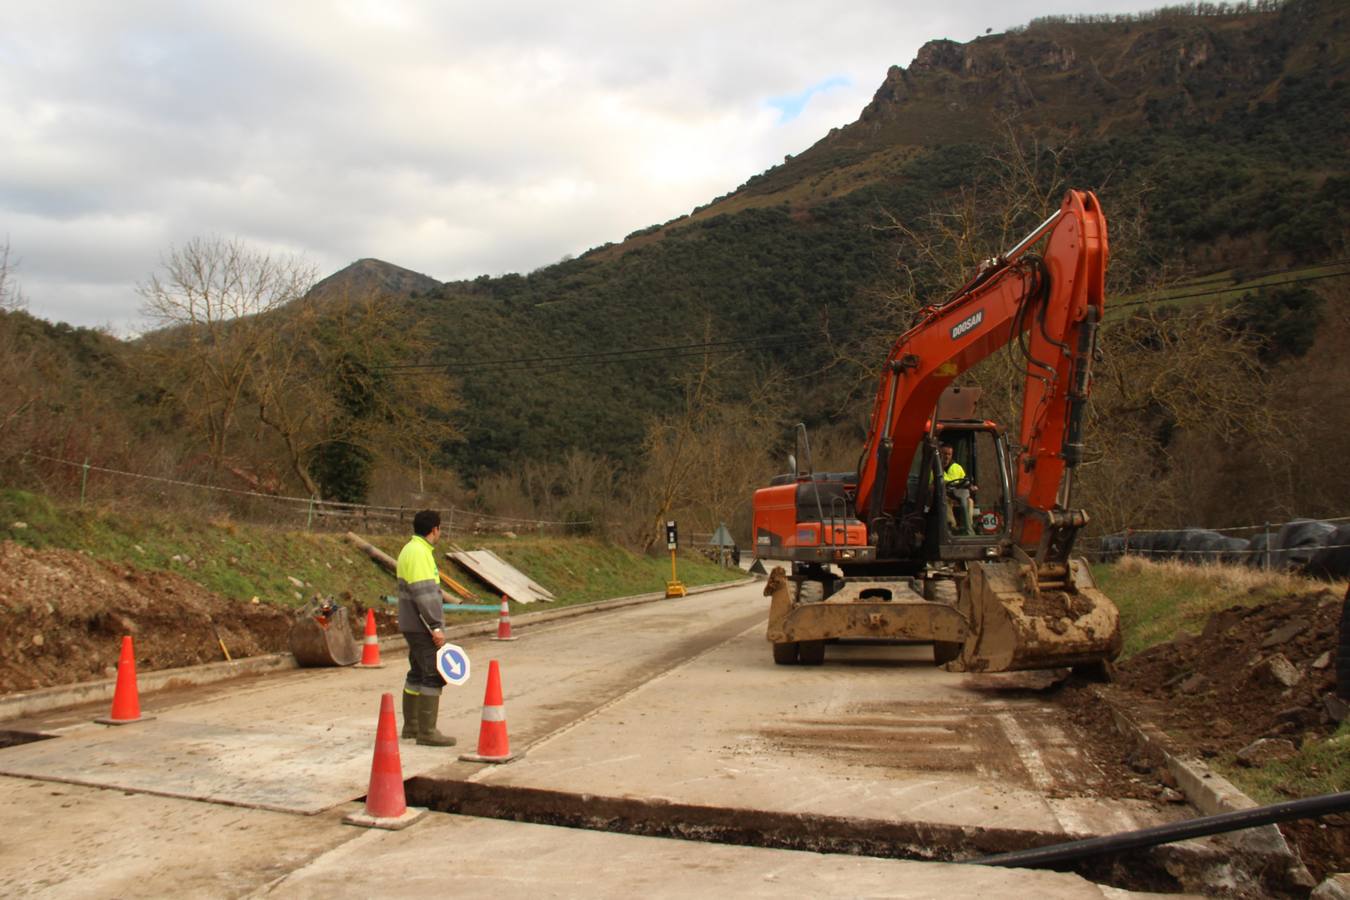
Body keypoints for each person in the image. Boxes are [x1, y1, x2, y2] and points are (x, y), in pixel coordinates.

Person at [397, 509, 456, 747]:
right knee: (433, 674)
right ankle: (427, 732)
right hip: (422, 624)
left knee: (417, 673)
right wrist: (436, 626)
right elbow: (425, 594)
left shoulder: (408, 550)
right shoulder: (420, 553)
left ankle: (411, 726)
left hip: (410, 622)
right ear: (435, 529)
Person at [940, 444, 975, 535]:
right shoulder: (934, 468)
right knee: (944, 500)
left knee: (969, 501)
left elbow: (965, 482)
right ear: (940, 454)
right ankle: (952, 528)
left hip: (957, 497)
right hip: (943, 497)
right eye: (944, 454)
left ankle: (968, 528)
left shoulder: (957, 468)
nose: (946, 456)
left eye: (949, 454)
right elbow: (930, 486)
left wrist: (971, 487)